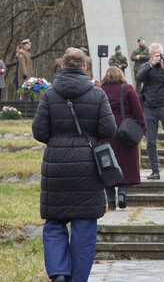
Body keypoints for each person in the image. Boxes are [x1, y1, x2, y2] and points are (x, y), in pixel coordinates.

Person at [32, 47, 117, 282]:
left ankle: (58, 271)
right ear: (85, 67)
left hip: (56, 165)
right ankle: (78, 278)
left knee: (54, 222)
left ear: (62, 65)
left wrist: (58, 141)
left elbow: (39, 131)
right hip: (88, 166)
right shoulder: (97, 95)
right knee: (84, 227)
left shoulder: (49, 95)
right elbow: (109, 130)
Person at [100, 66, 146, 210]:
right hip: (124, 132)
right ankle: (122, 194)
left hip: (105, 131)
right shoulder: (127, 89)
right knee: (126, 164)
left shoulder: (100, 90)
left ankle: (110, 199)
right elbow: (138, 111)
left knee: (106, 165)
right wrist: (141, 129)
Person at [136, 43, 164, 180]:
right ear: (150, 55)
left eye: (160, 54)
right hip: (149, 107)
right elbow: (139, 77)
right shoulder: (146, 66)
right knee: (150, 141)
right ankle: (155, 170)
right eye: (156, 54)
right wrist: (151, 65)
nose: (159, 56)